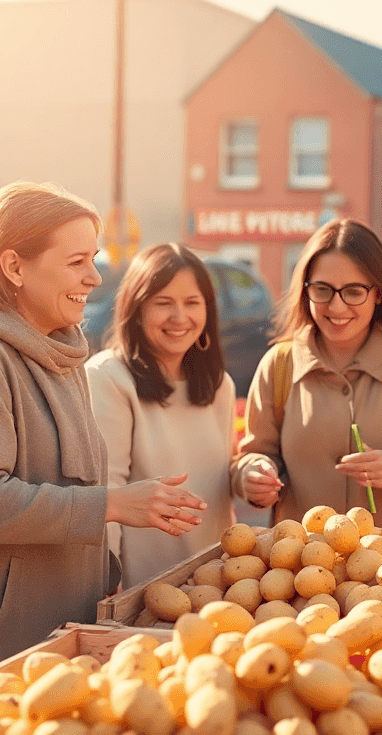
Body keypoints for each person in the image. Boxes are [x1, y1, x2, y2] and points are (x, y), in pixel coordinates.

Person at [0, 181, 207, 666]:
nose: (94, 278)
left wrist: (104, 578)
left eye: (94, 259)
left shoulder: (58, 353)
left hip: (59, 636)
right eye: (76, 262)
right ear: (14, 266)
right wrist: (112, 504)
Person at [233, 219, 382, 526]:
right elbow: (249, 459)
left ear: (379, 294)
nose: (337, 307)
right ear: (305, 291)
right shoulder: (278, 364)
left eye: (354, 292)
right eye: (323, 290)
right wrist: (253, 476)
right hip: (299, 564)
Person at [87, 243, 238, 590]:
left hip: (217, 587)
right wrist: (108, 591)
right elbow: (104, 498)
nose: (179, 317)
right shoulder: (108, 378)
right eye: (163, 303)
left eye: (192, 303)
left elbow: (219, 483)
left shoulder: (219, 386)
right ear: (137, 309)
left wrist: (249, 474)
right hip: (142, 595)